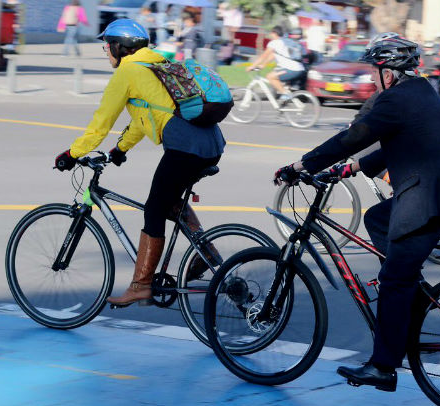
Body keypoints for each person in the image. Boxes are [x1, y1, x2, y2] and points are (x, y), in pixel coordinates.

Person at [272, 37, 440, 392]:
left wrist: (301, 165)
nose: (372, 79)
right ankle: (407, 304)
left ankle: (383, 367)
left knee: (394, 279)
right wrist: (349, 169)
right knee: (377, 219)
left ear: (389, 73)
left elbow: (350, 137)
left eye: (374, 71)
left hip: (433, 200)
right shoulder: (421, 93)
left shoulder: (395, 100)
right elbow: (399, 145)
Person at [54, 19, 225, 307]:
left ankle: (141, 285)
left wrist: (71, 154)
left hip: (185, 146)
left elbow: (100, 124)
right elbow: (145, 113)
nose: (105, 51)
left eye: (107, 46)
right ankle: (207, 254)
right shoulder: (157, 62)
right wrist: (120, 149)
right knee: (169, 200)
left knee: (154, 209)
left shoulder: (128, 72)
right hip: (210, 143)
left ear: (120, 47)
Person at [246, 26, 306, 103]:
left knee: (270, 77)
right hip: (297, 68)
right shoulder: (284, 41)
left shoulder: (274, 43)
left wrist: (252, 66)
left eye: (271, 33)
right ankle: (285, 94)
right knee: (274, 74)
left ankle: (286, 95)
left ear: (275, 33)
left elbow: (263, 56)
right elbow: (273, 55)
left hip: (292, 69)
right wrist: (263, 65)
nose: (270, 35)